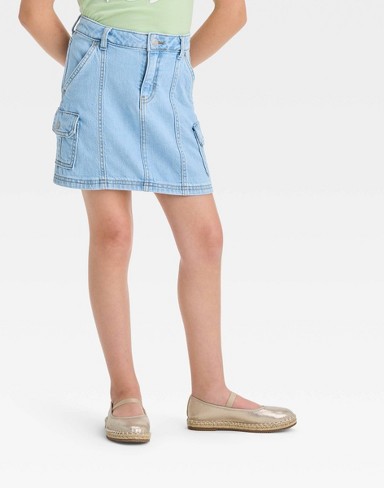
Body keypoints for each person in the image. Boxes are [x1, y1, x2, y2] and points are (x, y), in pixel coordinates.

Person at [18, 0, 297, 443]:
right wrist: (93, 62)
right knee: (114, 234)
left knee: (205, 238)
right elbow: (33, 12)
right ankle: (124, 393)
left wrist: (173, 65)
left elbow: (233, 12)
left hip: (169, 75)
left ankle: (210, 392)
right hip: (99, 74)